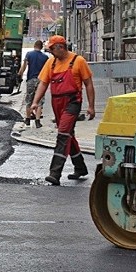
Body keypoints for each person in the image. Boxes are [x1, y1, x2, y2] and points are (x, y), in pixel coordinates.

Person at [30, 35, 95, 186]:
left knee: (63, 133)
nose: (50, 52)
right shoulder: (50, 62)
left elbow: (89, 84)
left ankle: (55, 173)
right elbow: (43, 84)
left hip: (72, 102)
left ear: (60, 47)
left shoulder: (78, 61)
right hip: (56, 102)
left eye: (52, 49)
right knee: (68, 135)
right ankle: (80, 168)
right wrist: (35, 102)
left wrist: (91, 107)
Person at [19, 40, 49, 127]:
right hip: (41, 81)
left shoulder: (29, 54)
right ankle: (37, 121)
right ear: (41, 47)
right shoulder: (45, 57)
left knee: (28, 100)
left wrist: (20, 75)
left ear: (34, 45)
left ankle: (27, 119)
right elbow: (47, 70)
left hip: (31, 80)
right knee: (40, 101)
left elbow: (24, 66)